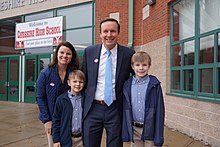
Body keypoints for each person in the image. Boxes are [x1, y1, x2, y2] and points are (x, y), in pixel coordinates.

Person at [81, 17, 135, 147]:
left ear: (118, 33)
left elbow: (136, 77)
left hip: (115, 109)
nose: (109, 35)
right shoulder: (89, 52)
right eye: (105, 31)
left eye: (113, 31)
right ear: (100, 34)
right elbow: (82, 78)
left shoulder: (128, 54)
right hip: (92, 109)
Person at [36, 41, 80, 147]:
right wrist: (47, 121)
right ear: (57, 54)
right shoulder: (45, 74)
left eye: (68, 53)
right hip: (52, 120)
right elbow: (40, 98)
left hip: (70, 120)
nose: (64, 56)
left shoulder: (74, 74)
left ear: (72, 56)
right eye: (62, 52)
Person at [122, 51, 165, 147]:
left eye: (144, 65)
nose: (141, 68)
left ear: (149, 66)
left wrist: (159, 135)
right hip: (134, 130)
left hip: (150, 128)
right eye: (137, 65)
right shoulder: (127, 85)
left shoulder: (154, 85)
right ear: (132, 66)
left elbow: (159, 111)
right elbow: (125, 110)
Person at [52, 70, 85, 147]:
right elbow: (56, 120)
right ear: (69, 82)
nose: (77, 84)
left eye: (80, 82)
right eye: (75, 81)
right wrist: (56, 140)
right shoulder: (61, 100)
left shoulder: (86, 99)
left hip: (82, 139)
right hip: (67, 139)